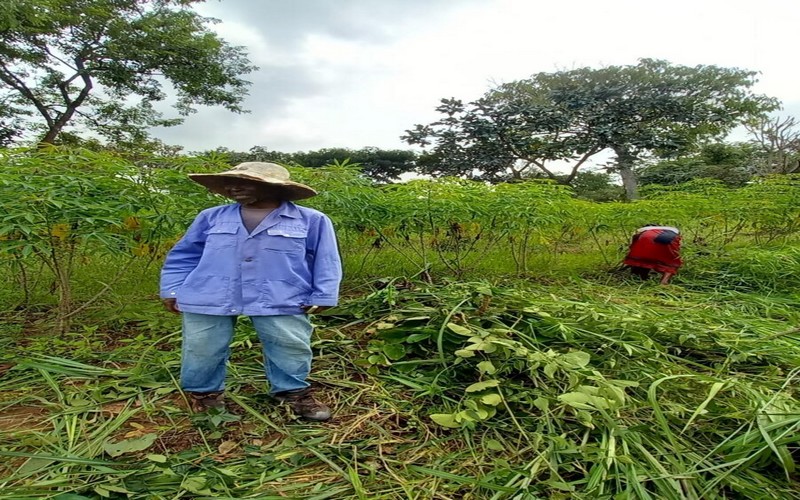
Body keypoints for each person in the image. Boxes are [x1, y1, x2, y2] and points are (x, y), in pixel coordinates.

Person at [160, 162, 342, 421]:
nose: (234, 188)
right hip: (209, 292)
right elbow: (185, 254)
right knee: (202, 346)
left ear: (274, 187)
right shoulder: (211, 217)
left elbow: (326, 259)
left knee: (289, 344)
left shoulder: (311, 220)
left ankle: (292, 393)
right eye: (231, 184)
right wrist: (172, 288)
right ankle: (205, 394)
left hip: (282, 294)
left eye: (246, 182)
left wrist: (323, 294)